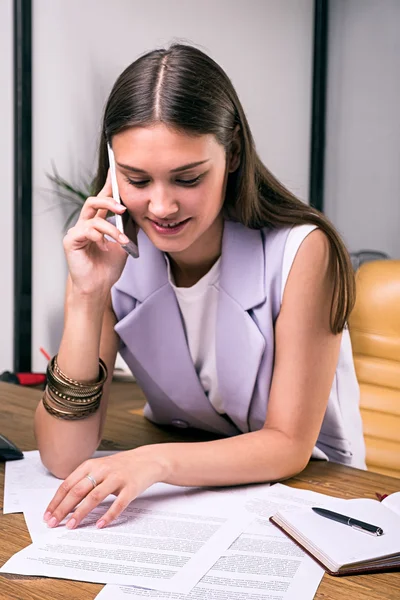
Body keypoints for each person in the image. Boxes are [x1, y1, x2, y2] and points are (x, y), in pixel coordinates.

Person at [35, 44, 366, 532]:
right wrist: (87, 298)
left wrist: (154, 463)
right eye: (137, 178)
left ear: (231, 154)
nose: (162, 206)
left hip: (313, 490)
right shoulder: (115, 251)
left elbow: (288, 443)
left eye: (187, 178)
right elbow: (63, 455)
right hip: (195, 495)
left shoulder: (301, 252)